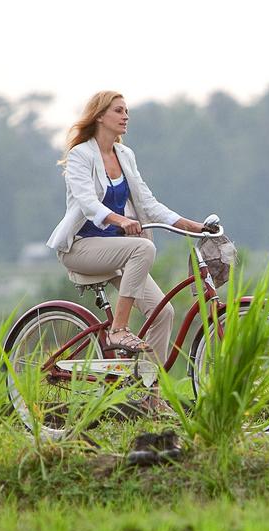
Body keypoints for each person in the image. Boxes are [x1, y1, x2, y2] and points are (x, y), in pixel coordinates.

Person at [47, 91, 211, 364]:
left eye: (126, 111)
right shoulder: (80, 155)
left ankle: (148, 396)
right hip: (80, 248)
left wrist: (192, 226)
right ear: (100, 116)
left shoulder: (124, 155)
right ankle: (118, 330)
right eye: (119, 111)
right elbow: (88, 202)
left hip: (117, 250)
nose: (126, 116)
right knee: (143, 248)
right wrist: (120, 220)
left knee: (163, 313)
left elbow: (148, 203)